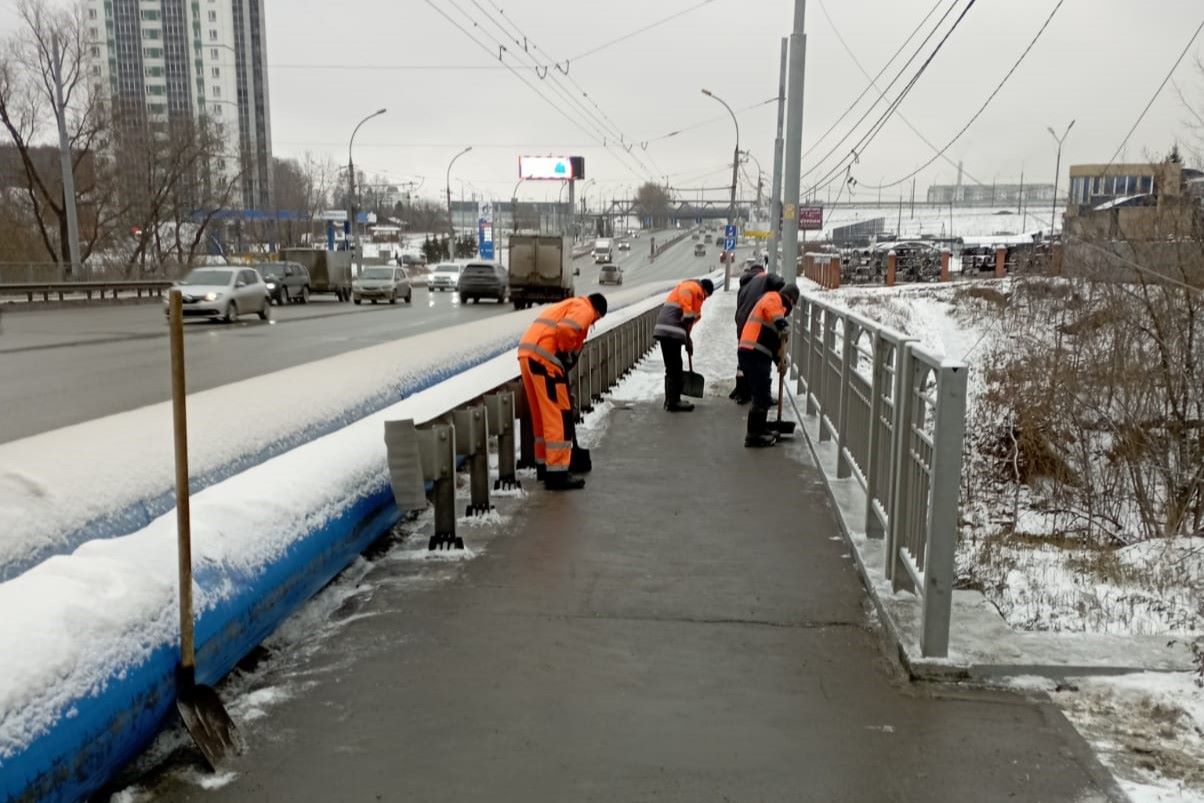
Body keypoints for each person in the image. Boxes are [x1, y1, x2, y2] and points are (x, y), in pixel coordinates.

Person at [518, 293, 608, 490]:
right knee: (557, 415)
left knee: (542, 416)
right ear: (598, 312)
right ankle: (557, 473)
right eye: (597, 319)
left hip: (528, 355)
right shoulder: (585, 309)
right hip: (545, 360)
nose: (593, 322)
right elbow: (567, 329)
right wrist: (566, 352)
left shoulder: (570, 304)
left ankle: (544, 466)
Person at [738, 283, 800, 448]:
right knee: (760, 393)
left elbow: (773, 344)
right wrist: (782, 323)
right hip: (753, 352)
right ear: (790, 299)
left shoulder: (775, 314)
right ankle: (754, 435)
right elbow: (770, 306)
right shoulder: (774, 298)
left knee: (763, 391)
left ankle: (761, 428)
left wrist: (780, 361)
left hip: (755, 353)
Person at [653, 277, 714, 412]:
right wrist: (687, 313)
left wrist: (688, 340)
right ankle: (674, 402)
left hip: (664, 329)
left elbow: (689, 323)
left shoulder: (691, 288)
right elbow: (687, 310)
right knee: (675, 366)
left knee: (671, 366)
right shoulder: (694, 288)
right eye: (705, 297)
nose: (703, 299)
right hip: (671, 330)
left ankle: (670, 400)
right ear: (705, 290)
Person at [731, 266, 786, 403]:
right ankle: (761, 396)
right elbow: (779, 283)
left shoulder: (744, 285)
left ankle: (742, 392)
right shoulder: (765, 277)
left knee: (744, 360)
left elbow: (739, 306)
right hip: (757, 321)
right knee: (761, 361)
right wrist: (780, 296)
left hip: (743, 323)